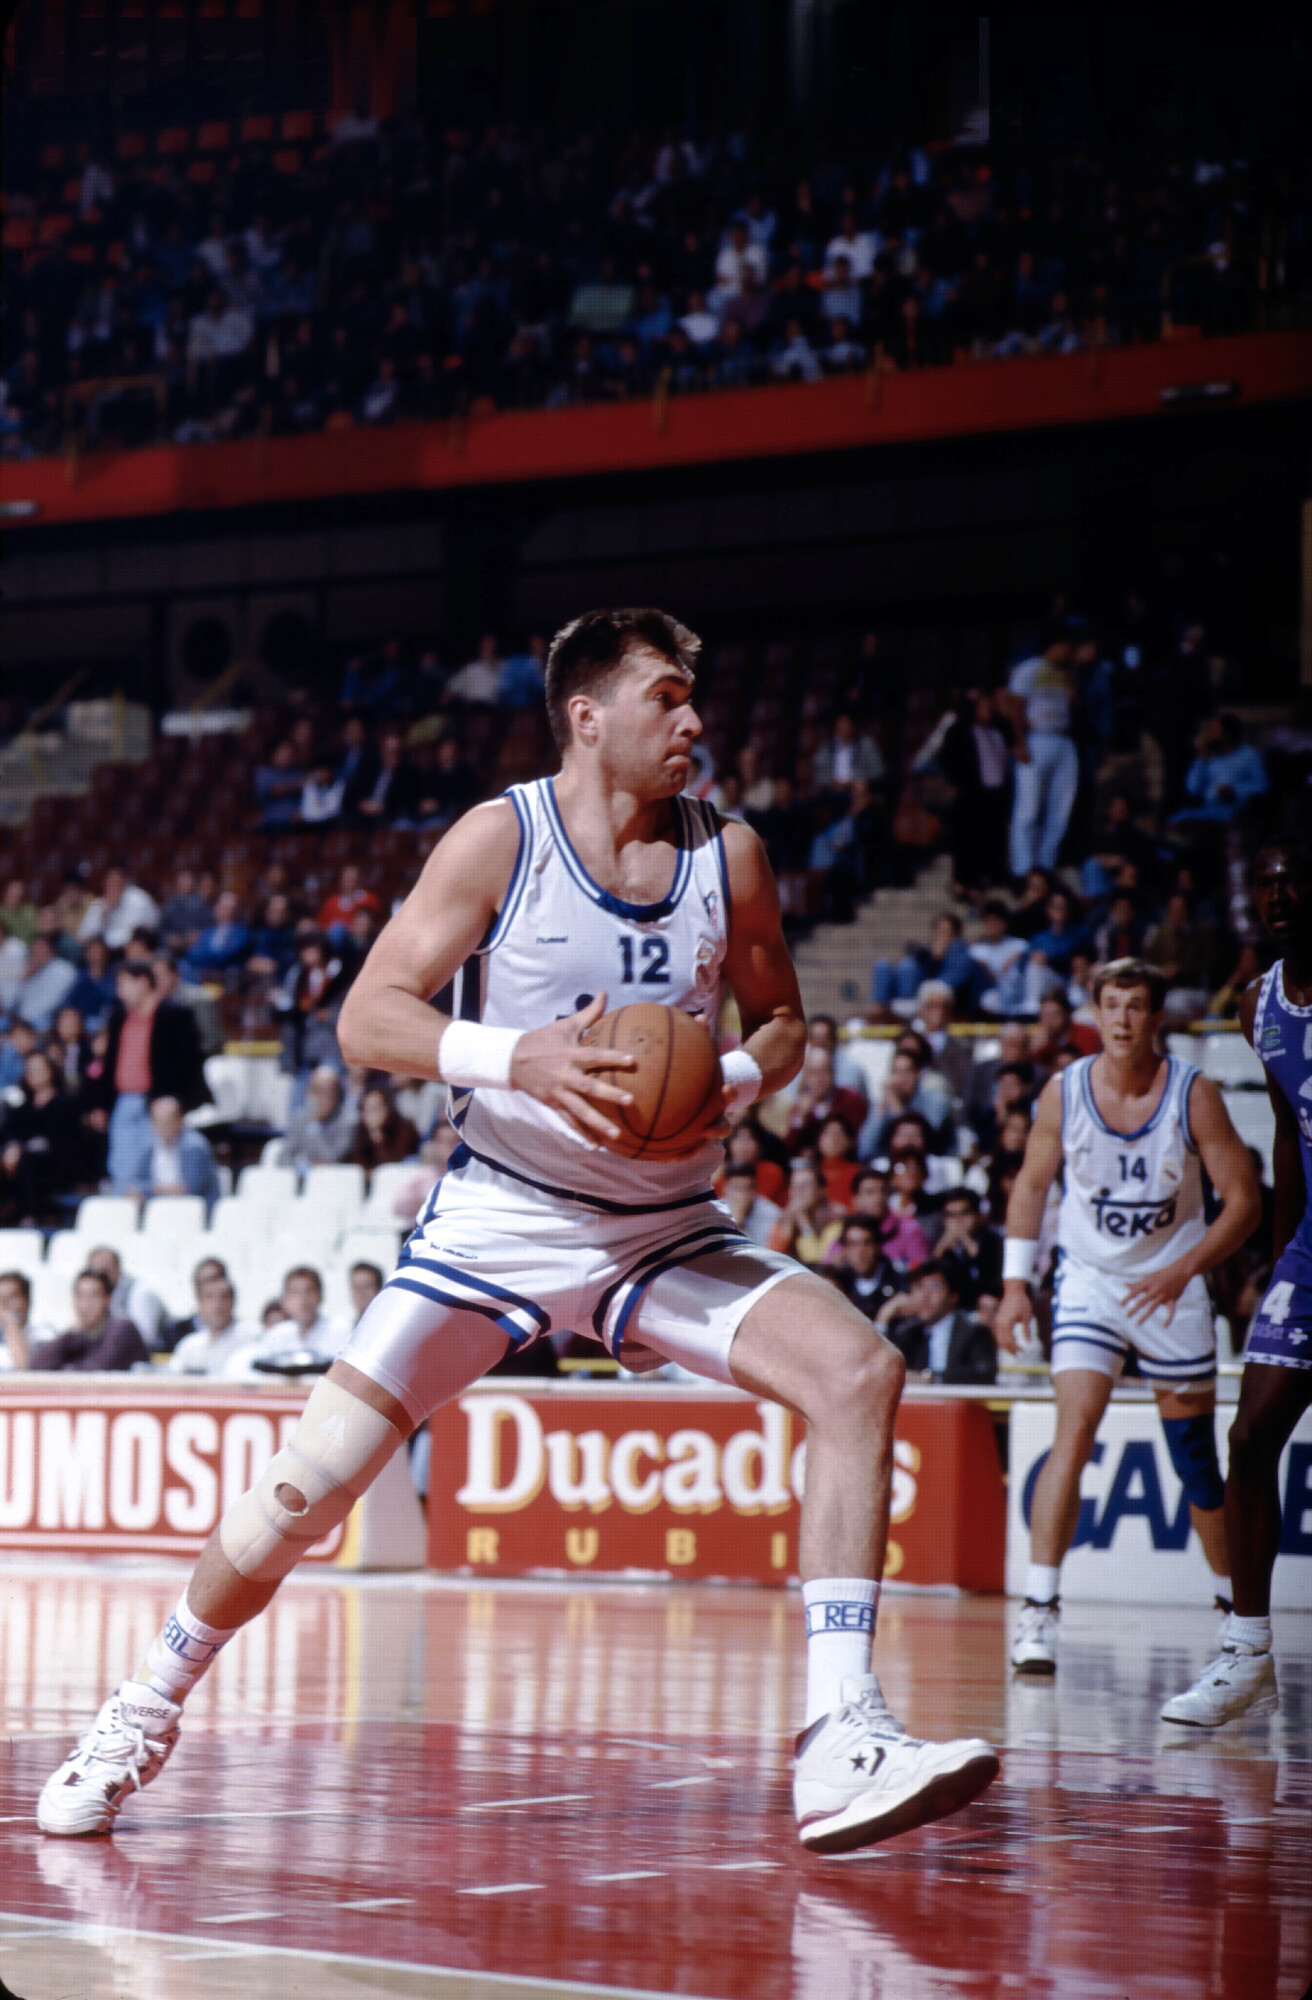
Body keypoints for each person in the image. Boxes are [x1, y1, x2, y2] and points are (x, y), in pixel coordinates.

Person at [39, 605, 997, 1849]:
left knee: (860, 1369)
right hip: (498, 1216)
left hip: (661, 1225)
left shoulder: (733, 856)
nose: (695, 718)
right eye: (667, 696)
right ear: (588, 716)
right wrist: (515, 1059)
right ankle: (139, 1707)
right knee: (301, 1490)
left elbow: (782, 1023)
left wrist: (729, 1080)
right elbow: (366, 1018)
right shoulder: (503, 837)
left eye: (694, 696)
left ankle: (839, 1734)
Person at [997, 958, 1261, 1675]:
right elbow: (1030, 1185)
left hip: (1172, 1285)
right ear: (1096, 1012)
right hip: (1090, 1282)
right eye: (1111, 1005)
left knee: (1196, 1464)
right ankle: (1040, 1609)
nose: (1121, 1019)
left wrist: (1184, 1268)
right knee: (1073, 1432)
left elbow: (1244, 1201)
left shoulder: (1193, 1093)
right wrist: (1015, 1285)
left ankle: (1233, 1617)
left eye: (1136, 1006)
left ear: (1156, 1018)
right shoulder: (1064, 1091)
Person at [1162, 838, 1312, 1725]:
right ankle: (1247, 1654)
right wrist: (1283, 1259)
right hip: (1309, 1250)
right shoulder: (1260, 1005)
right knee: (1250, 1438)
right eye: (1265, 882)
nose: (1277, 895)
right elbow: (1292, 1138)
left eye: (1293, 881)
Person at [875, 1261, 997, 1385]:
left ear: (953, 1296)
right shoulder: (907, 1333)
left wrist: (931, 1379)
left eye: (934, 1287)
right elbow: (878, 1369)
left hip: (958, 1402)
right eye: (919, 1287)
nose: (924, 1296)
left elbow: (984, 1374)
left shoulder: (974, 1332)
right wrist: (883, 1318)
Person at [29, 1269, 149, 1373]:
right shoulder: (75, 1336)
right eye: (80, 1296)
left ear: (108, 1300)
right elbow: (36, 1366)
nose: (85, 1304)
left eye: (93, 1296)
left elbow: (97, 1370)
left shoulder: (123, 1329)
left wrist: (65, 1368)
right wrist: (69, 1335)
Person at [129, 1094, 221, 1213]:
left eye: (166, 1122)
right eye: (157, 1122)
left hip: (194, 1213)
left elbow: (190, 1189)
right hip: (159, 1212)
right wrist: (162, 1190)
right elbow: (134, 1185)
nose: (162, 1128)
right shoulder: (148, 1148)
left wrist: (150, 1190)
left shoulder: (195, 1147)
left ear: (180, 1120)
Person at [170, 1271, 262, 1377]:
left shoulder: (252, 1336)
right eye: (209, 1297)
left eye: (223, 1297)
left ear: (233, 1301)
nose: (217, 1304)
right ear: (199, 1304)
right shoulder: (189, 1346)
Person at [84, 1244, 168, 1354]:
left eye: (105, 1270)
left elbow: (145, 1340)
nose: (100, 1278)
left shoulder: (141, 1293)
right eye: (94, 1273)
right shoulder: (99, 1297)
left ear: (118, 1269)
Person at [829, 1215, 903, 1324]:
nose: (860, 1252)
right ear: (844, 1250)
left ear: (878, 1246)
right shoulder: (839, 1283)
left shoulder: (898, 1282)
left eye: (867, 1243)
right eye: (852, 1244)